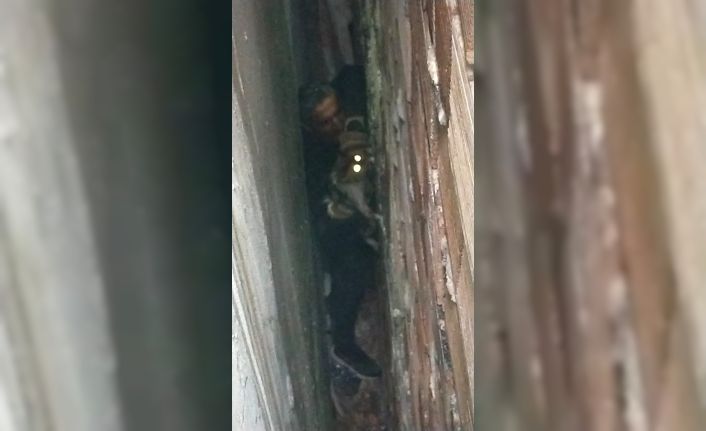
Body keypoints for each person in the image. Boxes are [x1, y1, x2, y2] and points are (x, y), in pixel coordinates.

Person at [299, 65, 382, 378]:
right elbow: (324, 213)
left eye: (338, 114)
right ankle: (344, 345)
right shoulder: (314, 158)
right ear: (311, 127)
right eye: (326, 122)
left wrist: (355, 129)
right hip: (344, 230)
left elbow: (352, 77)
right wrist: (345, 208)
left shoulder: (347, 91)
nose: (335, 124)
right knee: (351, 265)